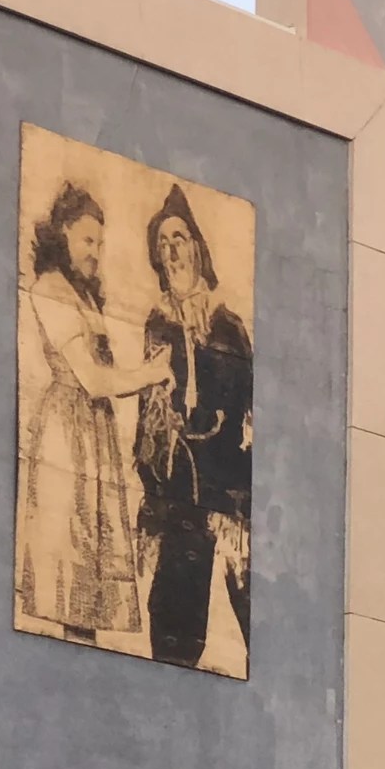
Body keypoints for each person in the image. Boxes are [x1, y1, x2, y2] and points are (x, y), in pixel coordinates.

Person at [18, 183, 174, 643]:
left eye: (100, 244)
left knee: (90, 584)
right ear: (63, 234)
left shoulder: (84, 296)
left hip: (93, 435)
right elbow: (93, 378)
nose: (95, 252)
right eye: (88, 240)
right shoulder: (50, 288)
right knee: (74, 567)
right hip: (67, 438)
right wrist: (152, 372)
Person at [134, 184, 254, 673]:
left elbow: (246, 411)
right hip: (179, 491)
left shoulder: (229, 326)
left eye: (179, 238)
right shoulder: (156, 324)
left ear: (198, 247)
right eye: (163, 244)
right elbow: (148, 414)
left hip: (228, 497)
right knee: (174, 627)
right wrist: (151, 481)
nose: (172, 250)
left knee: (256, 610)